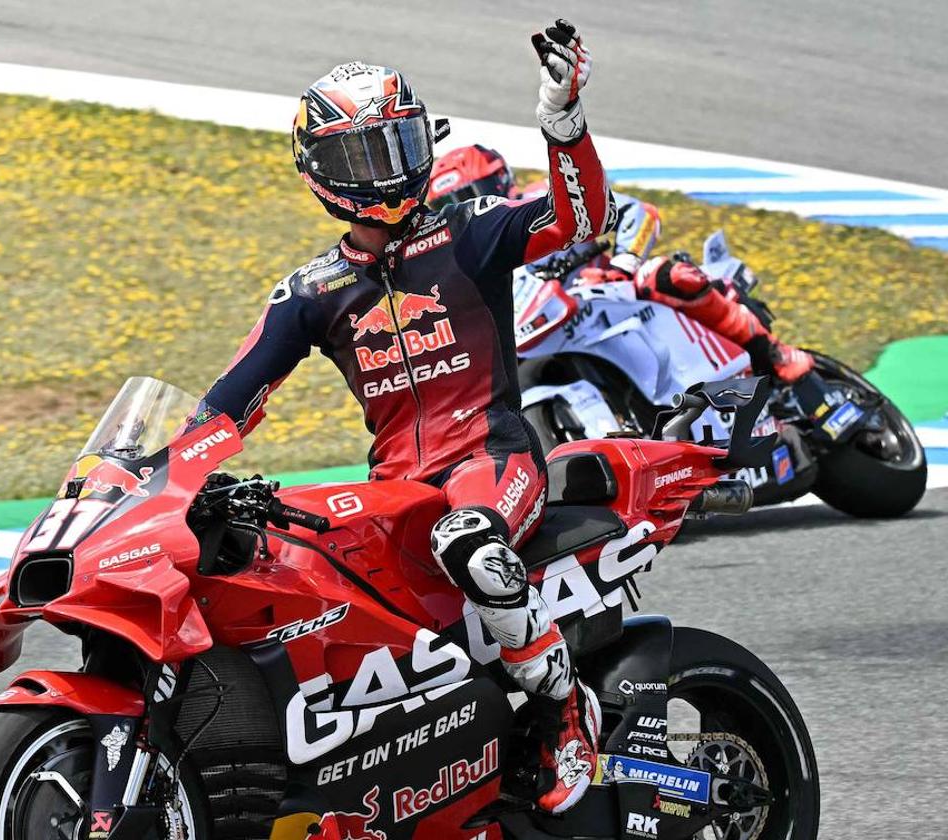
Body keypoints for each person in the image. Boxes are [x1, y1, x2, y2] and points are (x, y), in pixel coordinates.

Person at [191, 21, 613, 813]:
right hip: (396, 490)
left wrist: (563, 120)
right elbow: (229, 401)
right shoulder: (312, 292)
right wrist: (142, 475)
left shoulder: (471, 230)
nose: (386, 171)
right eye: (363, 156)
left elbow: (582, 223)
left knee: (471, 547)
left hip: (492, 461)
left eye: (396, 144)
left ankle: (565, 713)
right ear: (323, 175)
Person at [427, 145, 814, 382]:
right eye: (446, 209)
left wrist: (624, 265)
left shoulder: (541, 200)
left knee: (663, 275)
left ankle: (771, 351)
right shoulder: (465, 261)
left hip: (607, 294)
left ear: (498, 182)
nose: (461, 212)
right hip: (539, 328)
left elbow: (638, 213)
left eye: (466, 197)